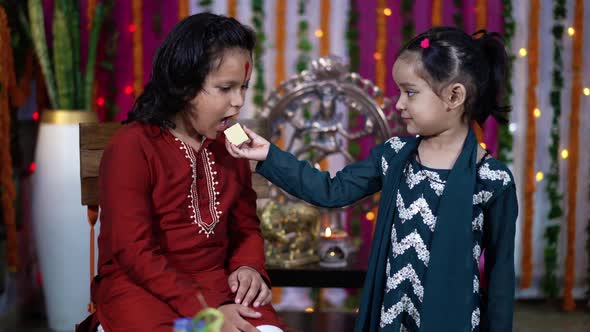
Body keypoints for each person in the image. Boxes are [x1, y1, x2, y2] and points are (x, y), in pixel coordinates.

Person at [226, 27, 518, 332]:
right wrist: (268, 156)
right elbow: (330, 190)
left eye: (411, 92)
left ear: (454, 96)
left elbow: (499, 277)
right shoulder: (393, 156)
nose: (399, 104)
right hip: (389, 319)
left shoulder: (492, 180)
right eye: (400, 92)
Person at [76, 13, 284, 332]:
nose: (239, 102)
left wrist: (249, 267)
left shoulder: (232, 140)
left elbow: (245, 226)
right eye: (226, 88)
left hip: (220, 285)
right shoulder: (132, 146)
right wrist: (207, 312)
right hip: (141, 290)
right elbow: (134, 252)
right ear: (184, 86)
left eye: (243, 87)